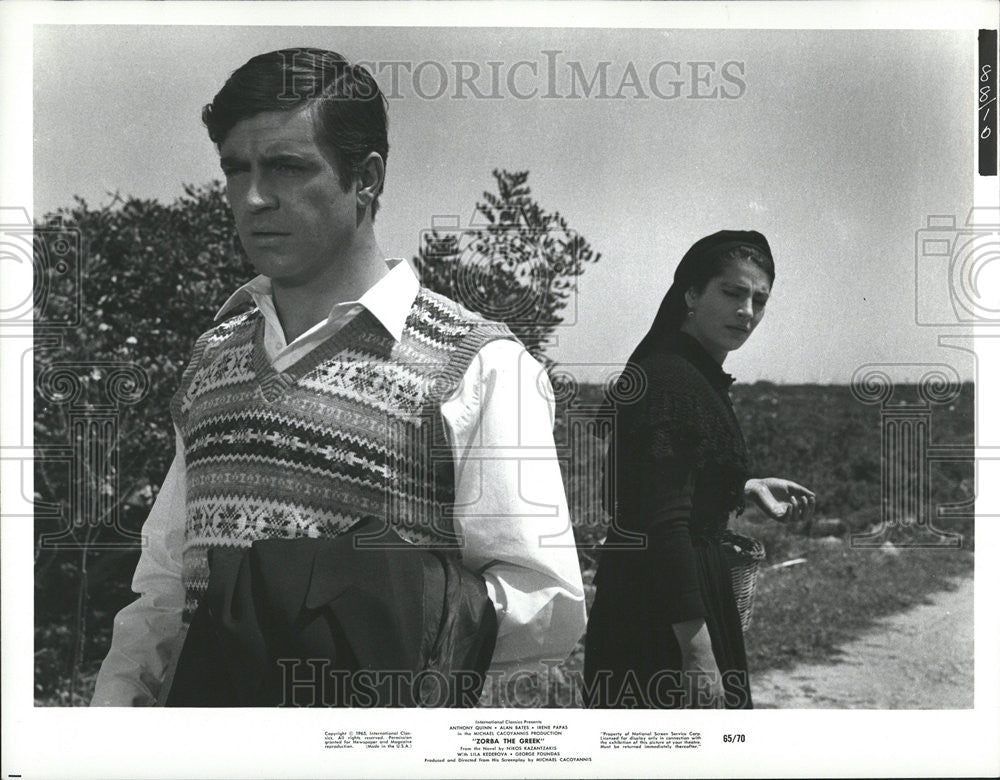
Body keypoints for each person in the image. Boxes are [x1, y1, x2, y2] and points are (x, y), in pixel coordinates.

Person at [91, 48, 585, 706]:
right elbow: (162, 594)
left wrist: (364, 609)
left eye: (289, 168)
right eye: (236, 170)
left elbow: (542, 609)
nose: (254, 198)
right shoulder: (213, 361)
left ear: (367, 178)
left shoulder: (478, 365)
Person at [583, 230, 815, 709]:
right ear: (691, 293)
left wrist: (743, 484)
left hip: (669, 596)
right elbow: (664, 522)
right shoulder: (672, 380)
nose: (747, 312)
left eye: (759, 300)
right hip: (661, 610)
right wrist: (697, 652)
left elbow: (668, 478)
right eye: (732, 293)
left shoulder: (692, 373)